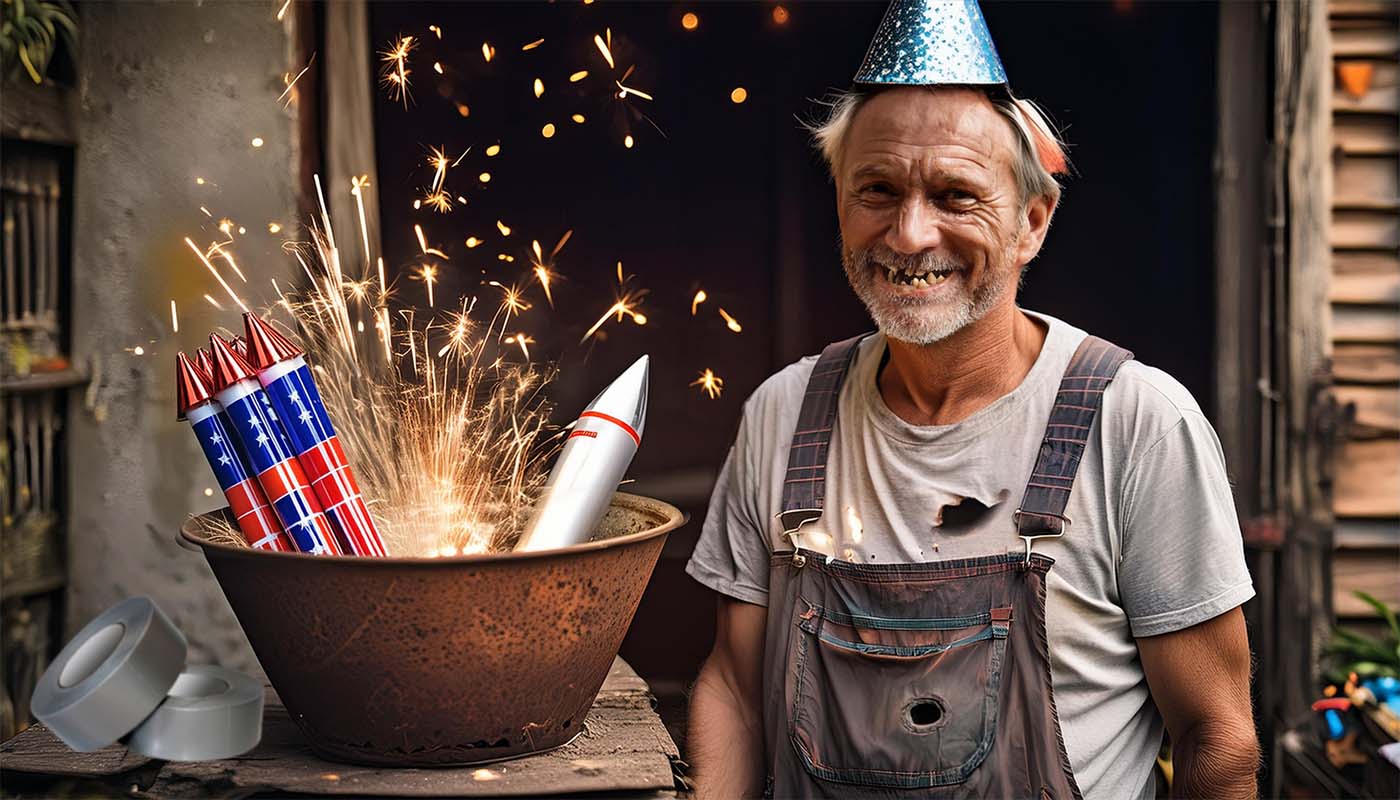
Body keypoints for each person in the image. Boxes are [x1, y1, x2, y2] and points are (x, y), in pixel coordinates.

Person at [683, 1, 1258, 798]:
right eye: (876, 189)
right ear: (841, 202)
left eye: (955, 196)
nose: (910, 234)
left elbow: (1217, 741)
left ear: (1030, 221)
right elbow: (737, 692)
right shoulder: (783, 412)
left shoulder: (1136, 422)